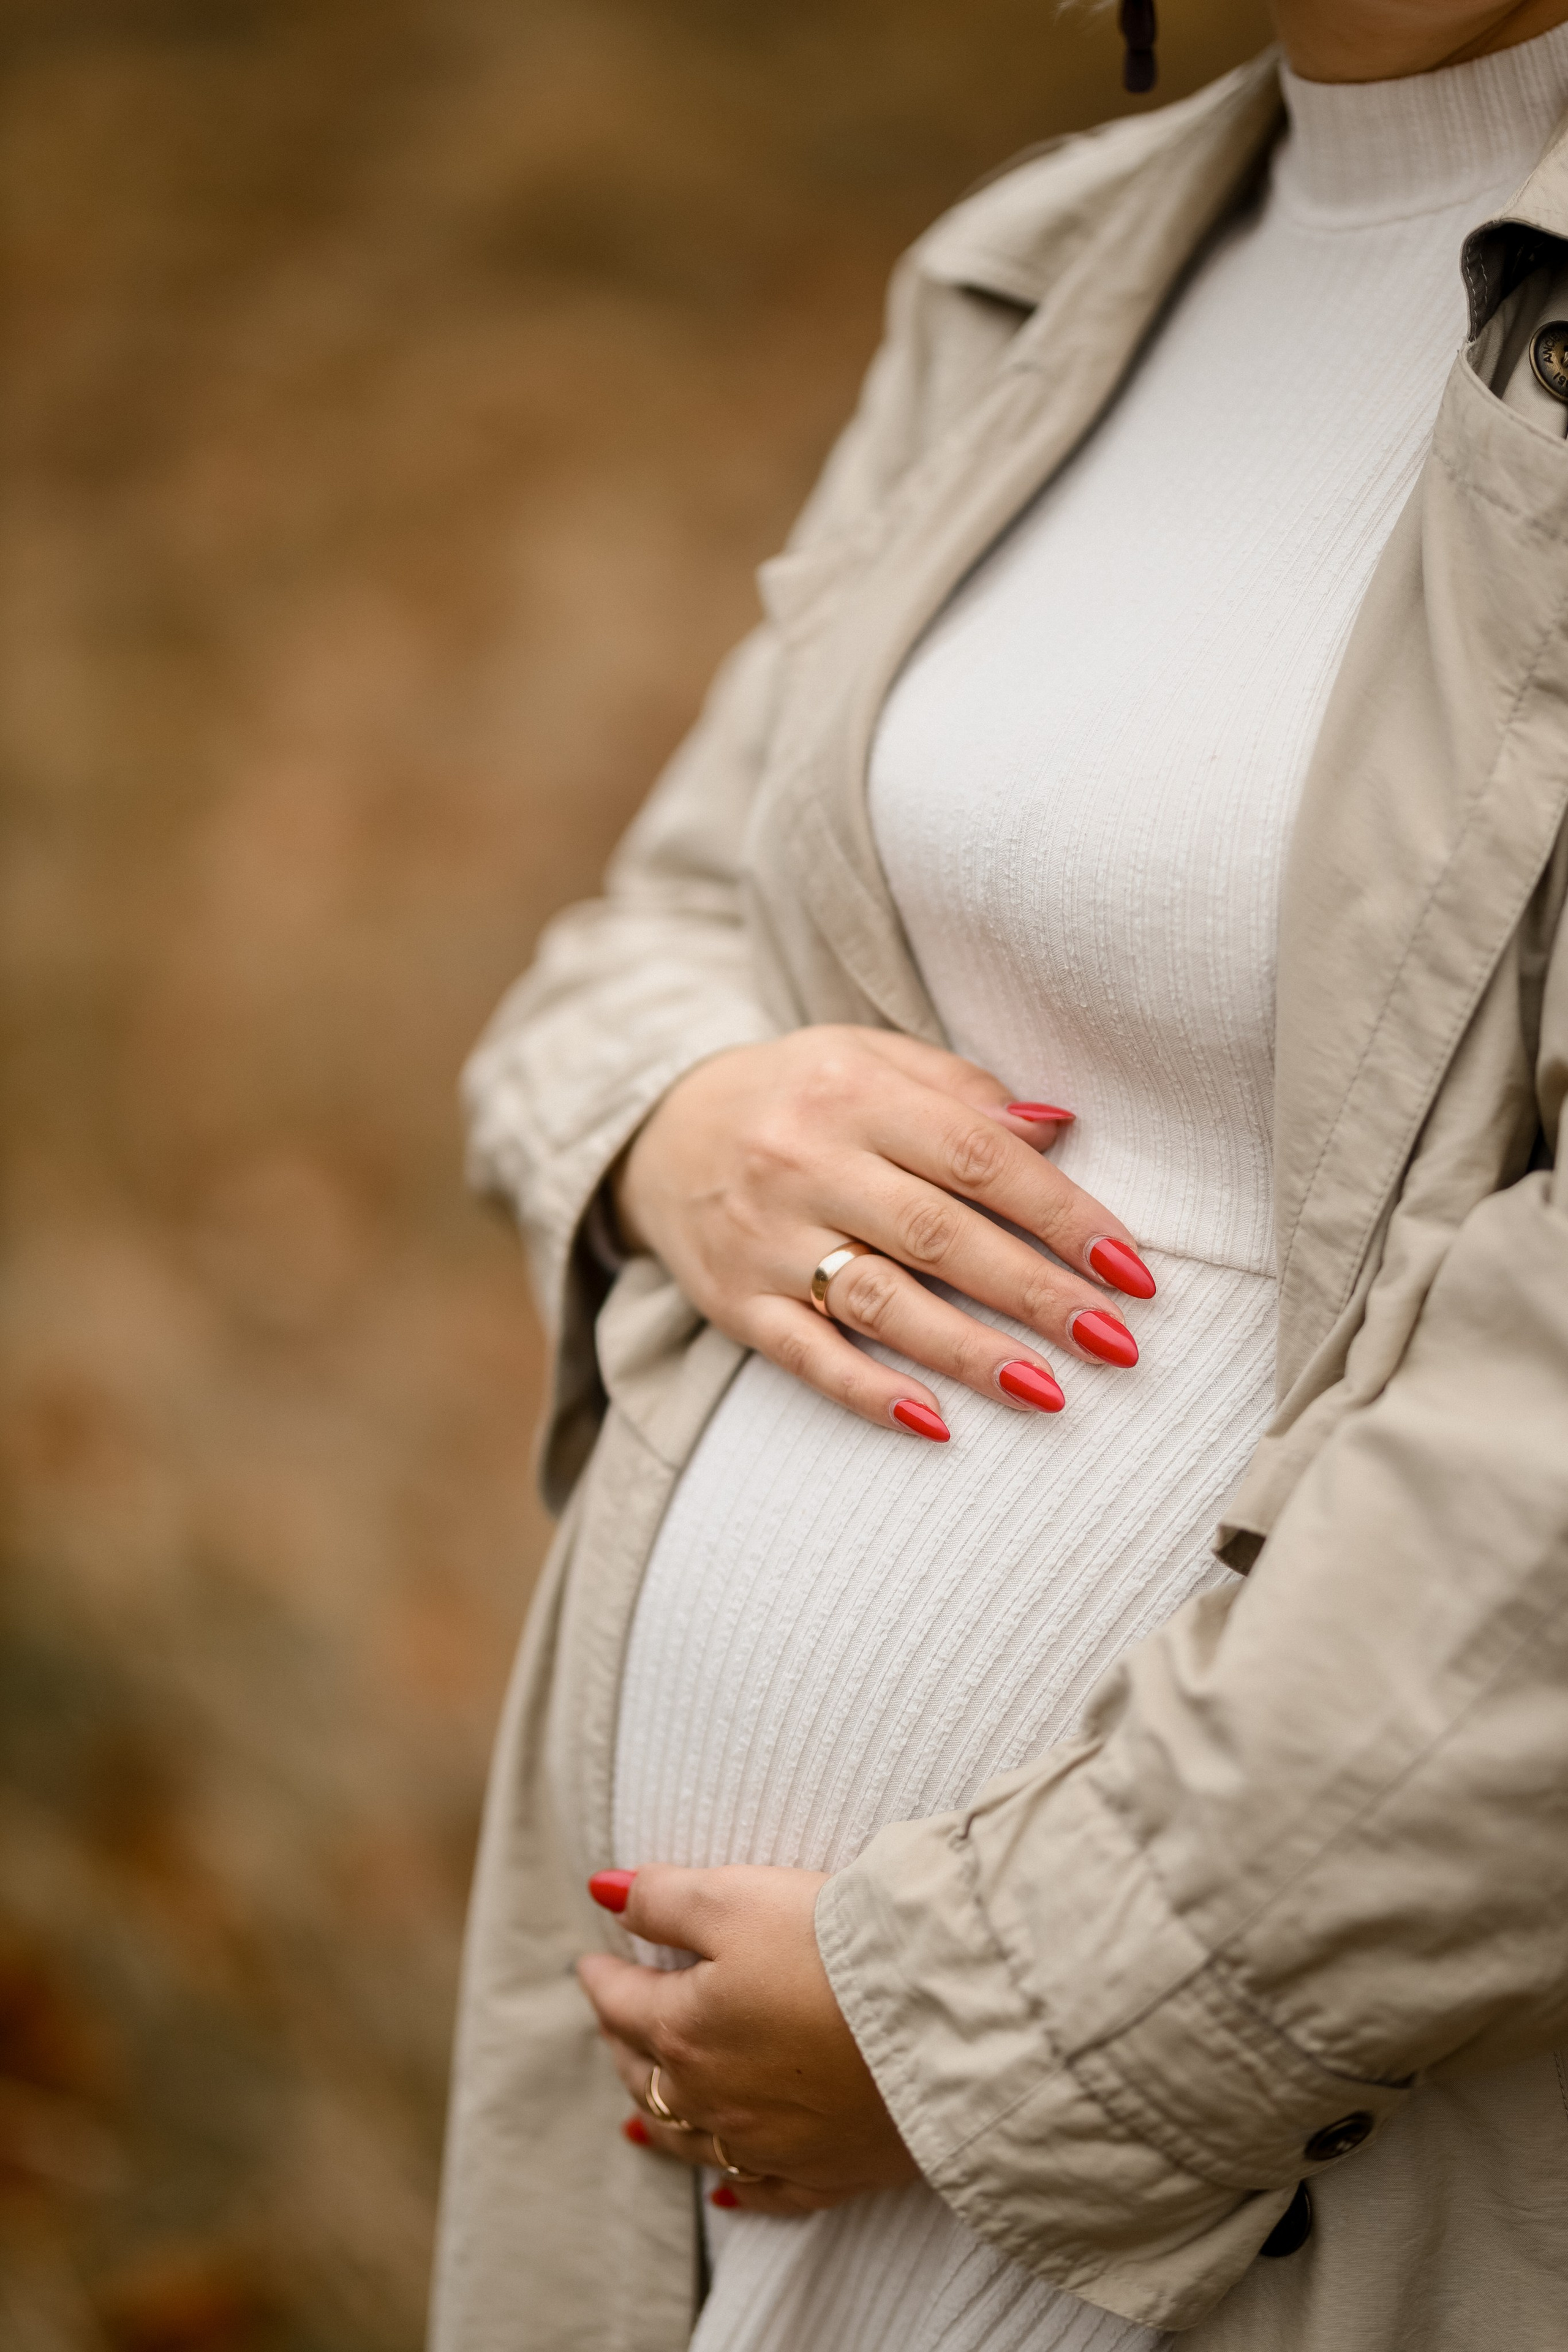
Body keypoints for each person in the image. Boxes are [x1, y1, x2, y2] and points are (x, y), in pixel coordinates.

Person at [430, 2, 1568, 2346]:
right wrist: (681, 1121)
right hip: (695, 2132)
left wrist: (1007, 2029)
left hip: (1266, 2145)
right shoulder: (1043, 266)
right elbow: (637, 941)